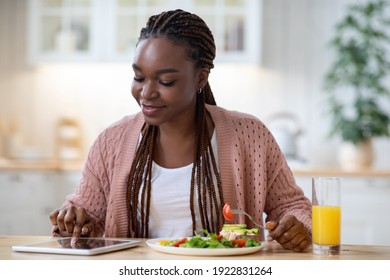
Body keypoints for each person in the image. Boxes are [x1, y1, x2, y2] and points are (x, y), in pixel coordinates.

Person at [50, 9, 312, 252]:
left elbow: (292, 207)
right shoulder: (111, 141)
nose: (147, 93)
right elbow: (87, 220)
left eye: (166, 81)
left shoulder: (250, 135)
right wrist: (72, 222)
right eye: (139, 77)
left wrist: (298, 226)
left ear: (200, 78)